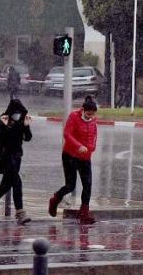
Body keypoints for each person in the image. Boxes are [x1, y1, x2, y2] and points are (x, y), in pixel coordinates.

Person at [0, 98, 33, 225]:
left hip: (16, 156)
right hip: (4, 156)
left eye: (19, 112)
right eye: (15, 112)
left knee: (6, 185)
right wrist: (2, 125)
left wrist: (26, 126)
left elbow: (28, 138)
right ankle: (20, 213)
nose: (17, 115)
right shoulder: (2, 119)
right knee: (16, 181)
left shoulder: (22, 120)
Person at [48, 96, 98, 225]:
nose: (89, 117)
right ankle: (55, 199)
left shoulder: (93, 120)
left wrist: (91, 148)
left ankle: (84, 213)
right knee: (70, 185)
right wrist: (78, 146)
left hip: (85, 157)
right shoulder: (74, 117)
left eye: (92, 115)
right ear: (83, 110)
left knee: (87, 185)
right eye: (87, 114)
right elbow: (67, 134)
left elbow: (94, 136)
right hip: (70, 155)